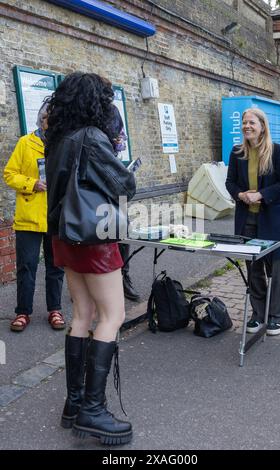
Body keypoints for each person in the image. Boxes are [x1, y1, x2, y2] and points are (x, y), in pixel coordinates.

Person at [45, 72, 135, 445]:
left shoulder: (57, 138)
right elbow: (124, 186)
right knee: (113, 316)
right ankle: (93, 411)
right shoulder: (93, 138)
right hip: (94, 237)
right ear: (94, 102)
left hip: (65, 236)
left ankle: (75, 402)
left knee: (81, 315)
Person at [226, 108, 280, 336]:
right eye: (244, 122)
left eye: (251, 122)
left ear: (262, 126)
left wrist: (262, 194)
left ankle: (275, 316)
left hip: (271, 220)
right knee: (253, 269)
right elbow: (230, 183)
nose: (247, 126)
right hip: (246, 220)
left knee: (273, 269)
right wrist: (241, 195)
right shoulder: (236, 153)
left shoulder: (277, 151)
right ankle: (258, 313)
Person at [3, 101, 65, 332]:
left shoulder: (62, 144)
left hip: (55, 215)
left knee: (55, 265)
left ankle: (55, 309)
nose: (51, 122)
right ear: (41, 120)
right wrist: (31, 183)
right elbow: (10, 174)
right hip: (29, 214)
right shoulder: (25, 143)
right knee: (26, 266)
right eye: (48, 117)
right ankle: (22, 312)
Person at [104, 105, 140, 302]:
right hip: (98, 189)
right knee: (101, 235)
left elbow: (122, 141)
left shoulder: (113, 112)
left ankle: (124, 276)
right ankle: (96, 282)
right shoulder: (90, 118)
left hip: (116, 182)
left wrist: (118, 142)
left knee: (122, 232)